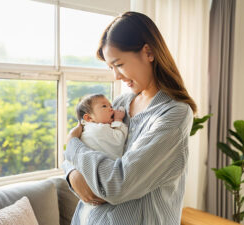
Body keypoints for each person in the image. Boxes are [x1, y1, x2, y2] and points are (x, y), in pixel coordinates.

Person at [62, 11, 196, 225]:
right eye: (111, 67)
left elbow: (117, 184)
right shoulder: (119, 105)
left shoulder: (174, 114)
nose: (115, 76)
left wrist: (73, 146)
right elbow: (82, 142)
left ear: (148, 52)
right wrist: (71, 174)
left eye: (119, 64)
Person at [73, 93, 128, 225]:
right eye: (104, 106)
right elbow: (118, 140)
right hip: (100, 182)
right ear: (88, 117)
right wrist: (119, 121)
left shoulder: (86, 130)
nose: (111, 109)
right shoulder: (98, 130)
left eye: (110, 105)